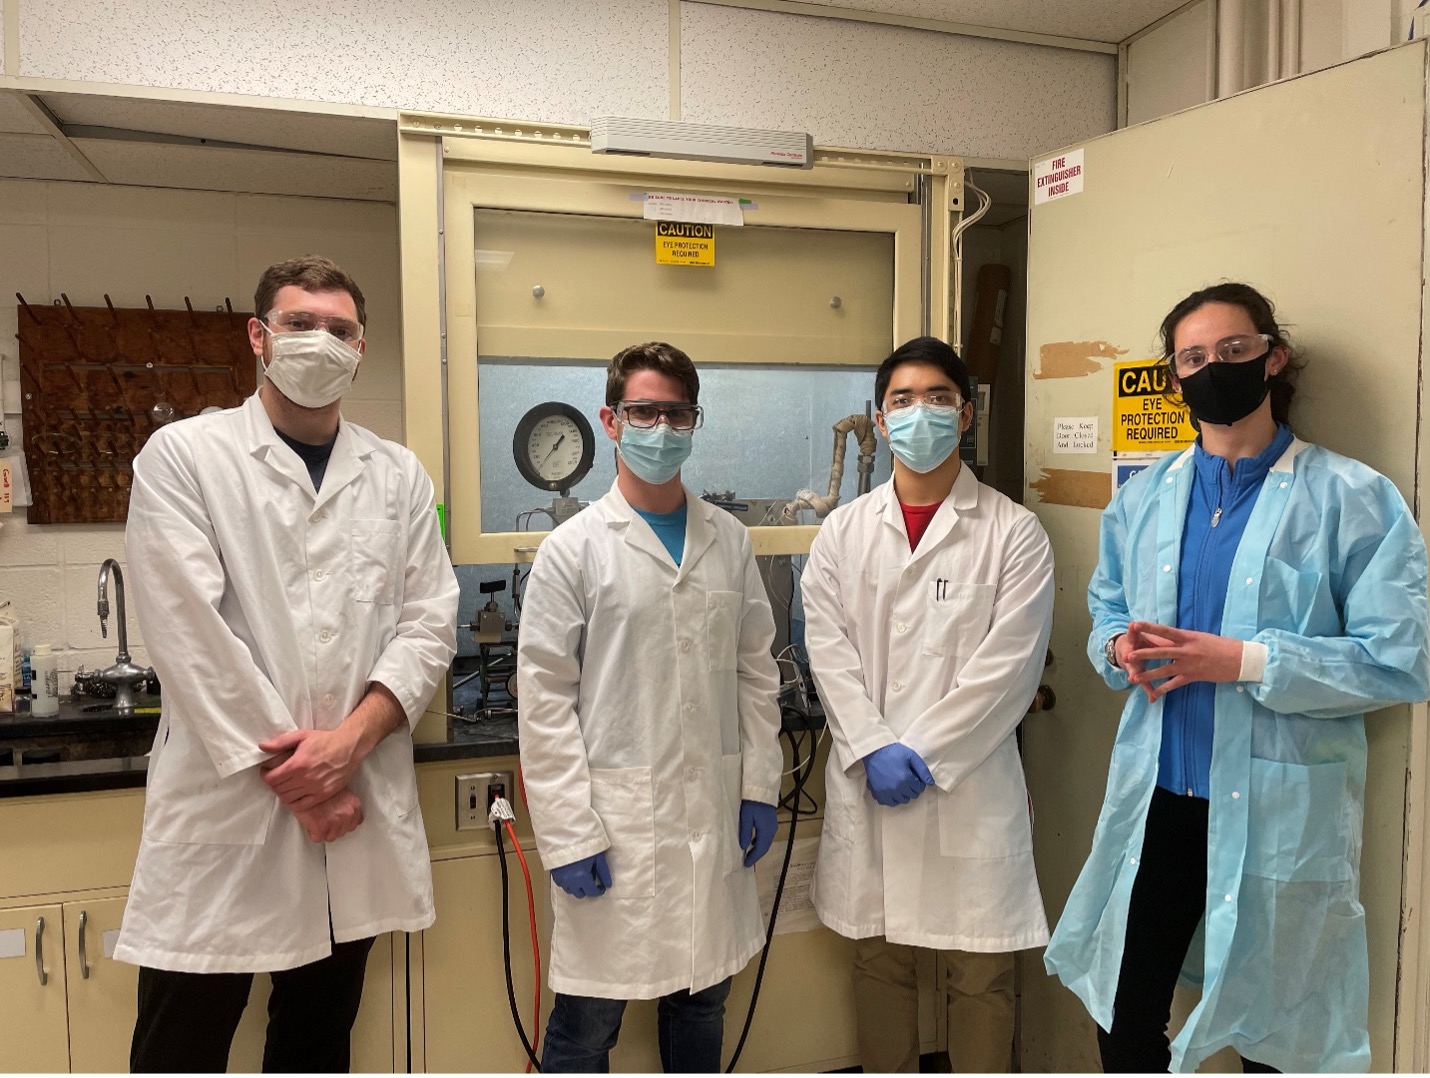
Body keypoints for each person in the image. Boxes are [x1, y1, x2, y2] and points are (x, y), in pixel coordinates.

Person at [1045, 282, 1430, 1073]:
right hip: (1159, 802)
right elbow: (1108, 606)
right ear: (1174, 377)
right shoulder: (1146, 497)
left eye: (1232, 350)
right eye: (1193, 357)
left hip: (1277, 810)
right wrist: (1118, 648)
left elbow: (1399, 660)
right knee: (1125, 1020)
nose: (1212, 367)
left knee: (1275, 1032)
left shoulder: (1352, 499)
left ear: (1272, 358)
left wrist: (1246, 660)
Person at [115, 255, 460, 1072]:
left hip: (353, 802)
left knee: (315, 1043)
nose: (320, 342)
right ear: (259, 337)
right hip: (230, 809)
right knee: (179, 1048)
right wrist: (308, 781)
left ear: (361, 348)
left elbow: (428, 622)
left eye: (338, 329)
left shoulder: (397, 475)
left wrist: (347, 748)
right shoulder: (185, 456)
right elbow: (188, 635)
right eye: (300, 324)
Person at [516, 341, 783, 1073]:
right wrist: (568, 833)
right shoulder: (572, 550)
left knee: (702, 1004)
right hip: (615, 825)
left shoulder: (728, 541)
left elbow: (755, 671)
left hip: (714, 815)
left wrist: (760, 785)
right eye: (644, 411)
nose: (660, 428)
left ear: (695, 422)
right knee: (587, 1023)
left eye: (676, 413)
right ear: (610, 419)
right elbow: (542, 700)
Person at [801, 335, 1055, 1073]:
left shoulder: (1013, 532)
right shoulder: (844, 534)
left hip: (969, 786)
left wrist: (925, 751)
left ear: (965, 415)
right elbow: (829, 649)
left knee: (982, 976)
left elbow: (1008, 668)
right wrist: (874, 745)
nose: (920, 414)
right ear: (879, 422)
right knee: (880, 963)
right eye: (901, 401)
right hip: (869, 779)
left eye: (937, 399)